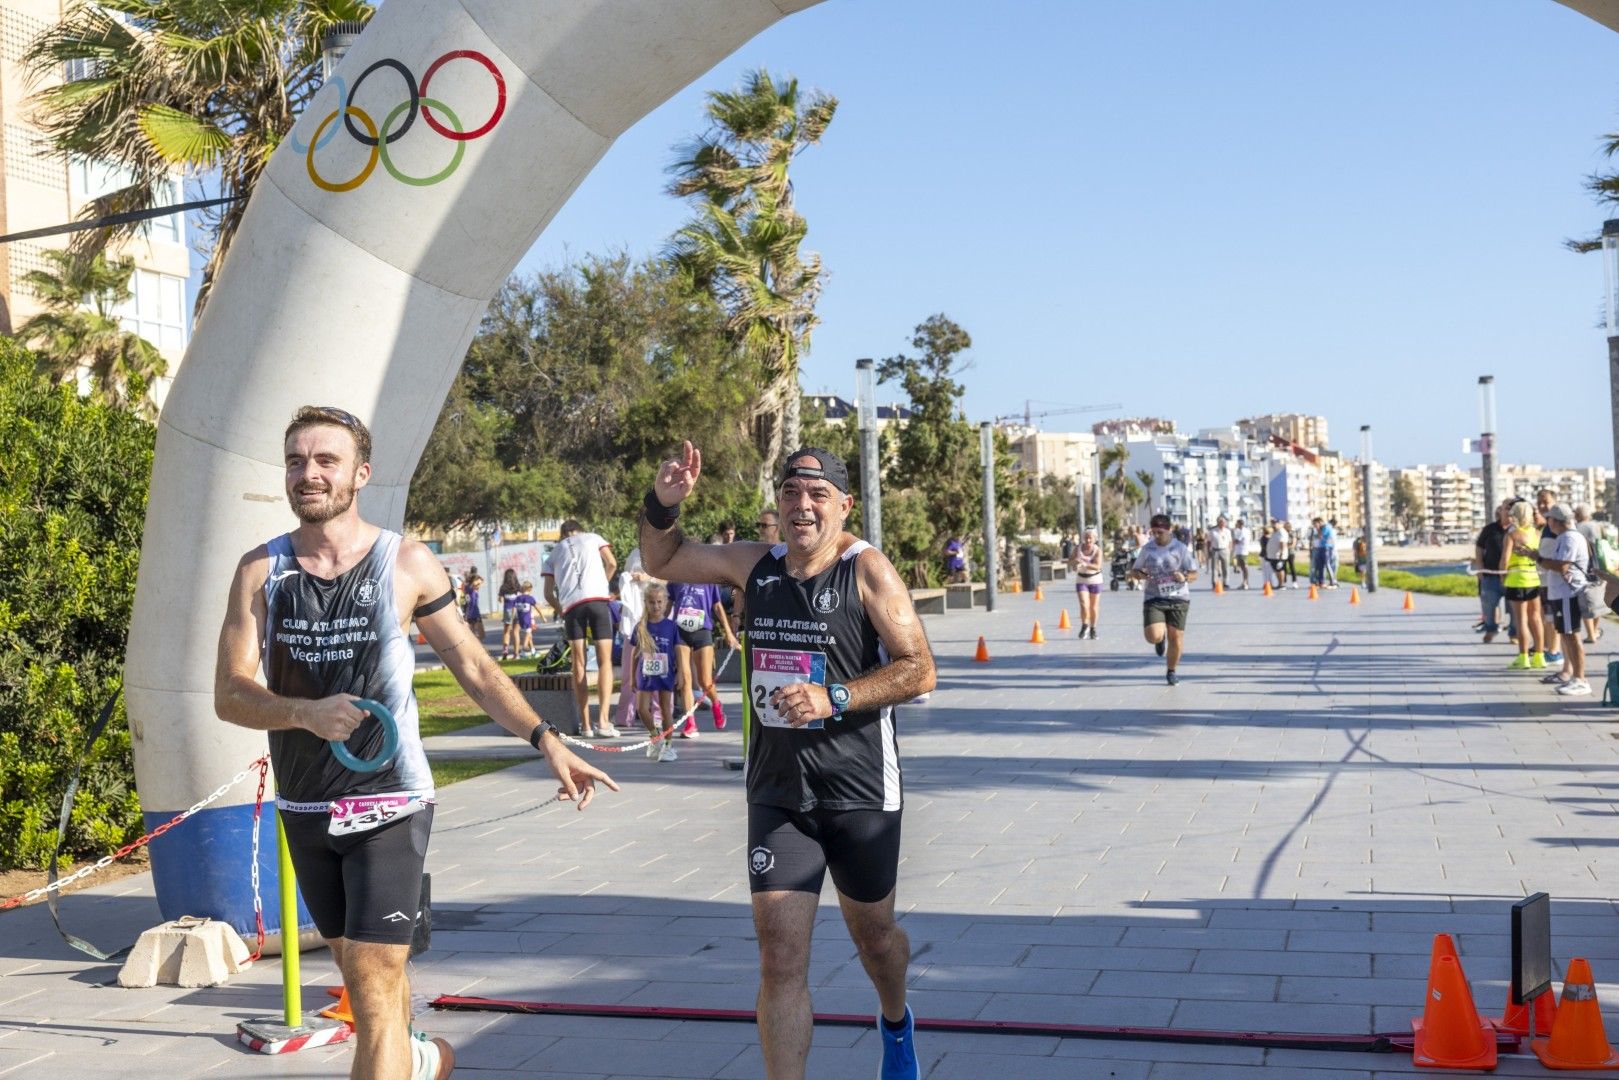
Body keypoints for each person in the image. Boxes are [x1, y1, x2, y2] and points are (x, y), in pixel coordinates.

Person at [214, 406, 616, 1080]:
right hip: (307, 805)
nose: (309, 474)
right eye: (296, 461)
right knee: (363, 974)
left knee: (373, 977)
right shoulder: (261, 570)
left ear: (360, 474)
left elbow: (476, 668)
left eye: (326, 461)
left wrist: (546, 739)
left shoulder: (405, 562)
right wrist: (303, 713)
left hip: (390, 799)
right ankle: (420, 1060)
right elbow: (229, 693)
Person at [640, 442, 935, 1080]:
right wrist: (663, 505)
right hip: (778, 793)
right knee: (779, 959)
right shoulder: (757, 565)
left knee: (876, 942)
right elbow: (661, 559)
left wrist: (835, 697)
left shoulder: (866, 570)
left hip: (859, 791)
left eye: (818, 495)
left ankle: (895, 1021)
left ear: (843, 505)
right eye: (792, 493)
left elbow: (920, 669)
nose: (803, 506)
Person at [543, 520, 620, 738]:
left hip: (572, 607)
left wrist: (561, 609)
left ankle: (585, 725)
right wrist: (601, 584)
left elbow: (548, 593)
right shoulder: (593, 538)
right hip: (597, 601)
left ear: (561, 535)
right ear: (580, 531)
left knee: (579, 663)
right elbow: (612, 563)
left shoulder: (553, 554)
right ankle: (603, 722)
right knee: (605, 661)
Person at [1129, 513, 1198, 685]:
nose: (1156, 536)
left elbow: (1194, 573)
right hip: (1154, 597)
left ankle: (1171, 671)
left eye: (1160, 532)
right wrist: (1140, 574)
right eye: (1153, 533)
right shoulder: (1147, 549)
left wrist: (1184, 577)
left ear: (1169, 530)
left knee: (1176, 637)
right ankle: (1160, 640)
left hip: (1178, 598)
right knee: (1152, 636)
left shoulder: (1180, 548)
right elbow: (1134, 571)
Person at [668, 578, 738, 735]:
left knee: (705, 681)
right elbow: (667, 606)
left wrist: (728, 633)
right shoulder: (675, 578)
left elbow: (717, 606)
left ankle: (716, 704)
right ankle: (690, 723)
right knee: (685, 680)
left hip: (702, 631)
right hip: (680, 632)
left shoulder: (707, 579)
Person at [1539, 505, 1592, 695]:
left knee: (1572, 635)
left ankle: (1580, 679)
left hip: (1568, 594)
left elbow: (1562, 566)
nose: (1547, 523)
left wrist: (1537, 558)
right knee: (1566, 635)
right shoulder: (1564, 537)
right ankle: (1573, 676)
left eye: (1549, 519)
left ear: (1555, 520)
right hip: (1562, 594)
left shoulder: (1569, 537)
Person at [634, 583, 681, 761]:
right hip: (645, 674)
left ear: (666, 602)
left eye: (660, 602)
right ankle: (655, 737)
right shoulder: (641, 626)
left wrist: (681, 672)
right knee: (641, 709)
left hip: (665, 672)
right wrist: (631, 677)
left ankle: (668, 746)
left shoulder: (671, 626)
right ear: (646, 603)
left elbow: (678, 650)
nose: (656, 606)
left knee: (665, 708)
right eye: (652, 602)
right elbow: (634, 652)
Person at [1503, 499, 1547, 670]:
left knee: (1521, 619)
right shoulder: (1537, 534)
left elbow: (1505, 559)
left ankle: (1523, 657)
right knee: (1536, 618)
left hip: (1516, 579)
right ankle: (1539, 656)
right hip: (1533, 578)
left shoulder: (1512, 535)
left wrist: (1502, 576)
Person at [1473, 500, 1514, 644]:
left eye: (1512, 509)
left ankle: (1514, 633)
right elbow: (1479, 547)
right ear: (1500, 511)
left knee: (1514, 608)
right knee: (1489, 606)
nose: (1509, 512)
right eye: (1506, 508)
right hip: (1490, 575)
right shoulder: (1490, 529)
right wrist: (1479, 566)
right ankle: (1491, 629)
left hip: (1512, 576)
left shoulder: (1517, 530)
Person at [1574, 505, 1608, 644]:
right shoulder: (1597, 526)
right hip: (1601, 566)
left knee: (1586, 600)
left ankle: (1590, 634)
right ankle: (1594, 630)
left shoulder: (1577, 527)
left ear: (1578, 514)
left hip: (1585, 567)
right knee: (1598, 599)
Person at [1072, 527, 1103, 638]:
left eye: (1090, 538)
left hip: (1095, 579)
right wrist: (1075, 563)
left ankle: (1093, 628)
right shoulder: (1078, 548)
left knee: (1093, 607)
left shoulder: (1097, 550)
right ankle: (1085, 625)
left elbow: (1098, 566)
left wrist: (1085, 564)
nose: (1088, 540)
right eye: (1086, 538)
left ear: (1095, 539)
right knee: (1084, 605)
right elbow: (1070, 561)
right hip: (1081, 579)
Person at [498, 568, 522, 659]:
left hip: (507, 610)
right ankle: (516, 654)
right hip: (517, 610)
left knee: (506, 631)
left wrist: (502, 598)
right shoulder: (518, 586)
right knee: (516, 632)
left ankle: (505, 650)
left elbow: (500, 599)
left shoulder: (503, 587)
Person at [1207, 516, 1231, 591]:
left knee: (1225, 568)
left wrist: (1229, 550)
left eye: (1224, 522)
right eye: (1221, 522)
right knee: (1214, 568)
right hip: (1215, 550)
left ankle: (1226, 583)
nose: (1222, 523)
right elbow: (1209, 541)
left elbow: (1230, 541)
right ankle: (1214, 583)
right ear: (1218, 523)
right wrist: (1209, 550)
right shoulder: (1213, 531)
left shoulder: (1227, 531)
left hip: (1224, 550)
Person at [515, 580, 539, 658]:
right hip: (528, 619)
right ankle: (523, 650)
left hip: (521, 619)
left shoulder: (518, 598)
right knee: (528, 634)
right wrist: (542, 617)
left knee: (529, 635)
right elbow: (537, 607)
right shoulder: (530, 598)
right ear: (530, 589)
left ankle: (533, 651)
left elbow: (515, 608)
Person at [461, 568, 485, 640]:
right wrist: (475, 578)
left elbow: (482, 580)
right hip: (472, 613)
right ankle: (477, 646)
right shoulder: (469, 588)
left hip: (472, 613)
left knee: (476, 635)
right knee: (479, 634)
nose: (479, 584)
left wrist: (478, 580)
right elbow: (480, 580)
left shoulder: (471, 588)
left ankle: (476, 645)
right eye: (477, 582)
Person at [1231, 518, 1251, 590]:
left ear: (1240, 524)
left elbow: (1237, 541)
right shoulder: (1245, 530)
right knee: (1243, 568)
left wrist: (1232, 541)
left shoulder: (1243, 531)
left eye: (1237, 523)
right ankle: (1245, 582)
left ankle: (1245, 583)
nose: (1236, 525)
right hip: (1242, 550)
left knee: (1244, 567)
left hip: (1242, 551)